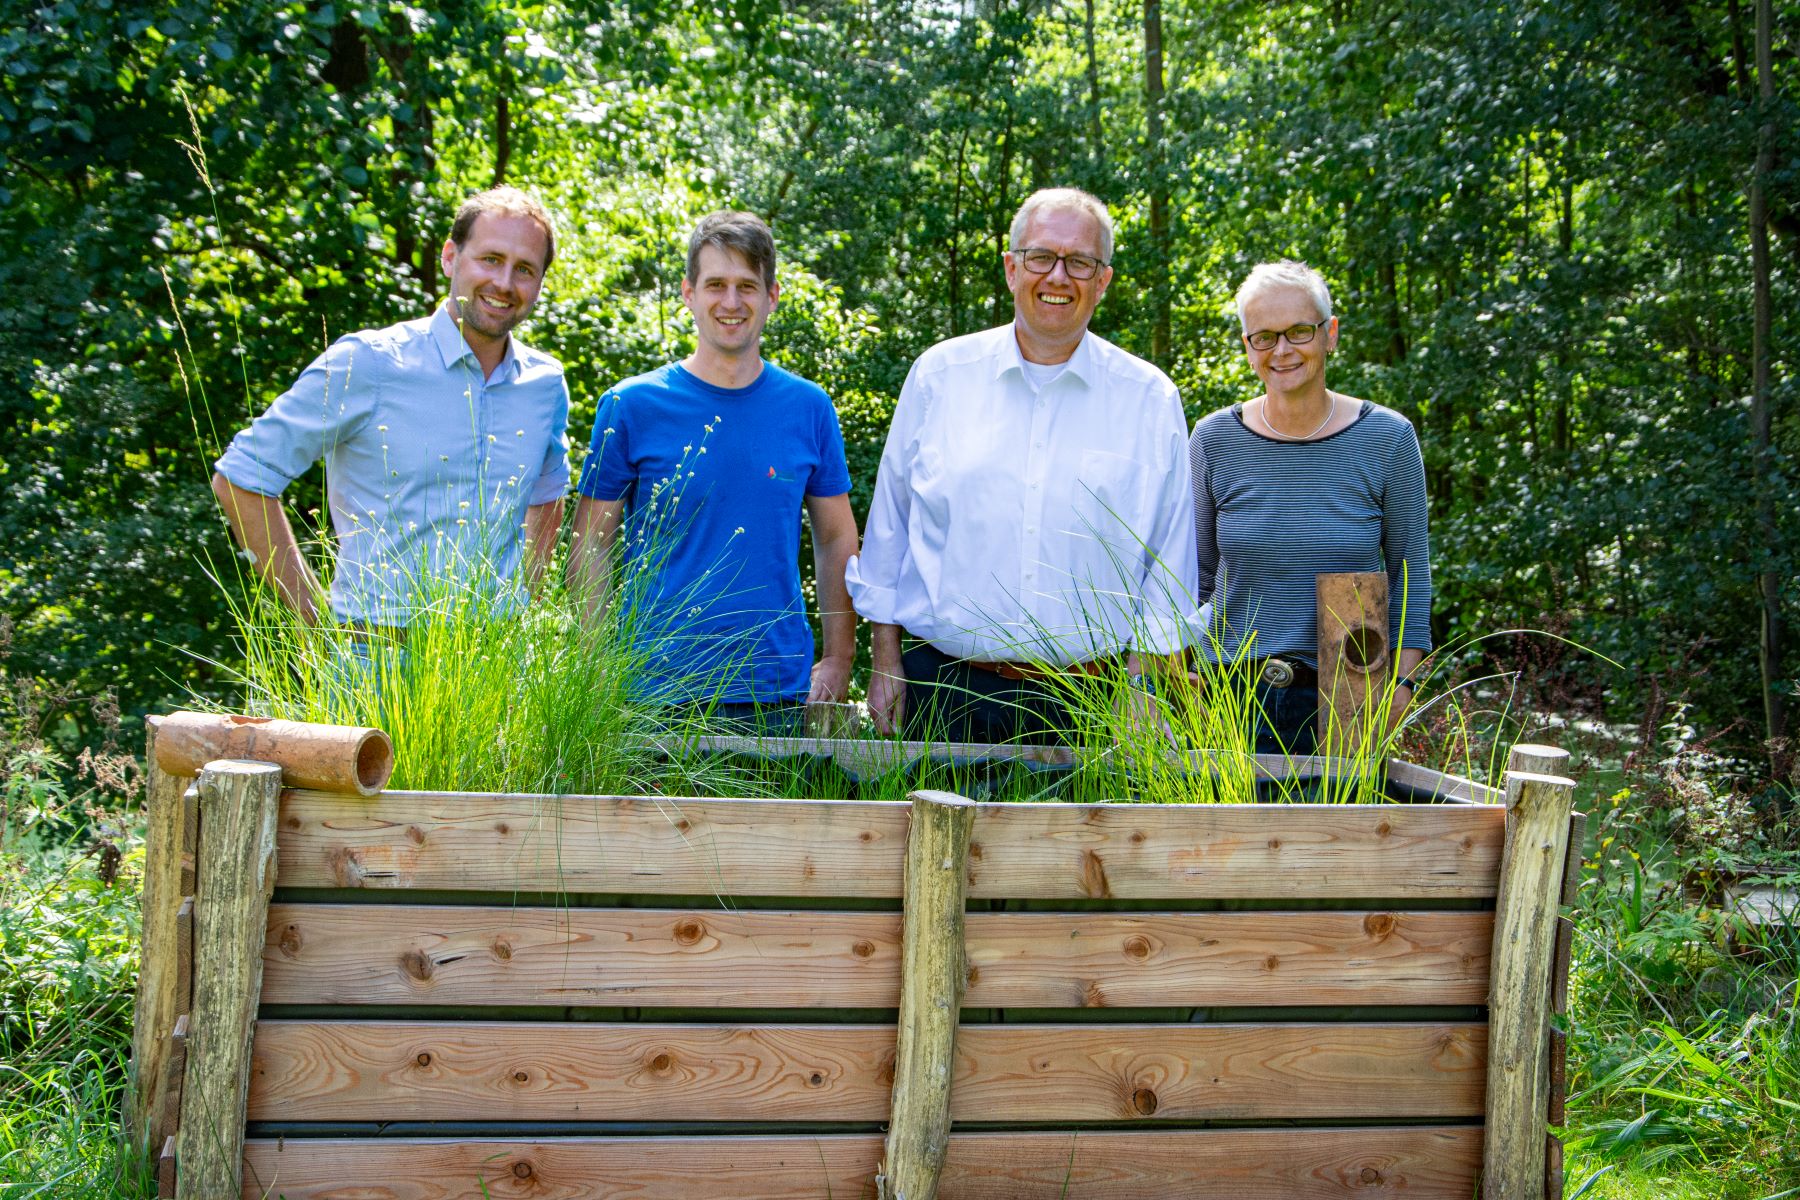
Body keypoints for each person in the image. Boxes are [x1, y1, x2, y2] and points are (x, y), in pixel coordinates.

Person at [846, 187, 1199, 744]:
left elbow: (1168, 556)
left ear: (1102, 280)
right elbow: (891, 528)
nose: (1058, 276)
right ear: (1012, 268)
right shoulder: (940, 376)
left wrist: (1145, 689)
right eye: (1041, 257)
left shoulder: (1148, 398)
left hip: (1094, 702)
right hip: (942, 691)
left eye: (1080, 261)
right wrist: (884, 658)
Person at [212, 187, 569, 634]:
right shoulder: (369, 362)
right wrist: (315, 621)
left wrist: (524, 606)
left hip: (498, 663)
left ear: (538, 283)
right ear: (449, 258)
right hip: (376, 659)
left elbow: (547, 494)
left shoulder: (544, 384)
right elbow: (242, 477)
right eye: (490, 259)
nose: (504, 283)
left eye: (524, 270)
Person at [566, 211, 859, 734]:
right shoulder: (632, 405)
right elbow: (591, 541)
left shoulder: (809, 408)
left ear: (771, 295)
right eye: (715, 284)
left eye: (747, 286)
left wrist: (839, 659)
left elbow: (836, 538)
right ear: (688, 293)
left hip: (775, 694)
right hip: (650, 691)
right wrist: (593, 665)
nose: (731, 302)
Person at [1188, 259, 1432, 755]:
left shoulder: (1387, 437)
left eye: (1299, 331)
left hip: (1352, 681)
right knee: (1230, 834)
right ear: (1247, 346)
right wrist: (1182, 673)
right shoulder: (1214, 438)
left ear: (1330, 334)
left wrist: (1402, 686)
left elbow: (1410, 574)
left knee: (1338, 832)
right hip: (1230, 690)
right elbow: (1195, 573)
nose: (1282, 350)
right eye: (1264, 336)